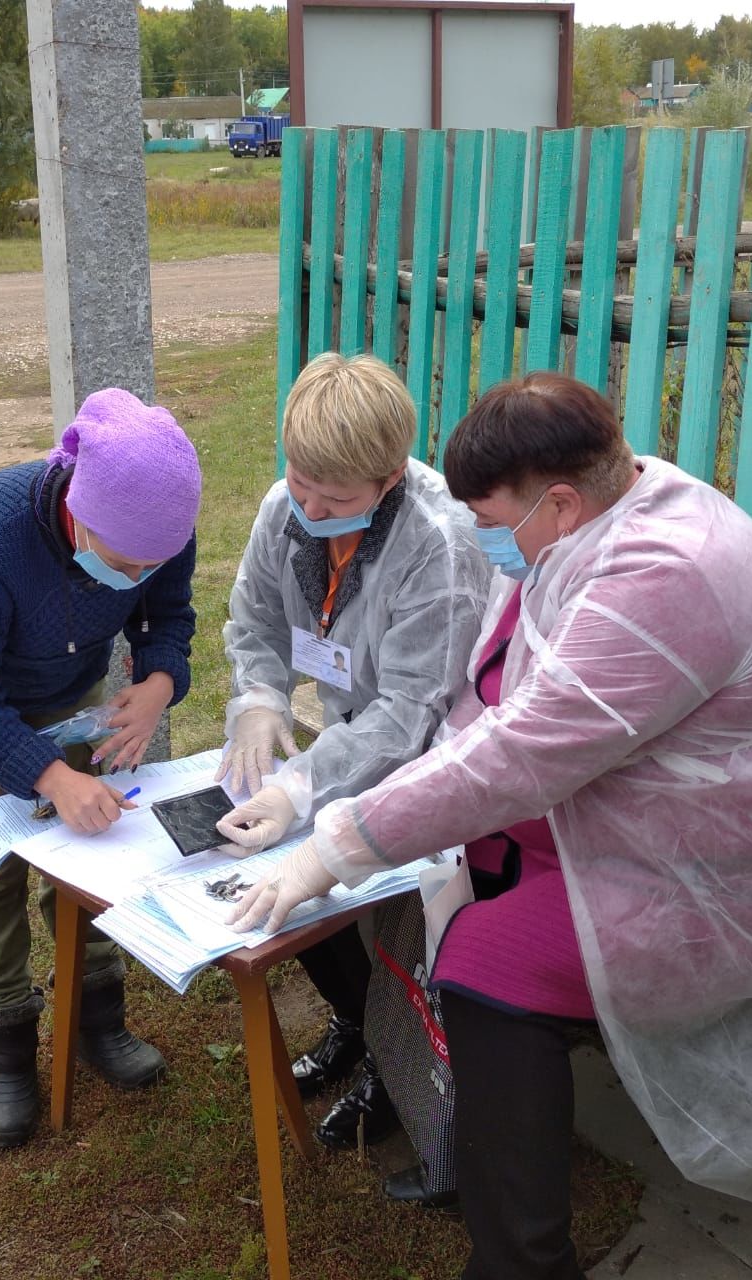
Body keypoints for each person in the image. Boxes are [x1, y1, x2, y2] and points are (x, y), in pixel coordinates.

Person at [229, 371, 752, 1279]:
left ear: (556, 502)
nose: (481, 540)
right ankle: (444, 1118)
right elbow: (490, 707)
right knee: (441, 880)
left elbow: (519, 751)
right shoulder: (603, 514)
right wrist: (361, 804)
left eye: (491, 520)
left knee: (482, 965)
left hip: (698, 864)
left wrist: (333, 844)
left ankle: (520, 1260)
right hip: (611, 818)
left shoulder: (664, 576)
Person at [213, 351, 490, 1180]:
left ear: (388, 477)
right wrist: (259, 697)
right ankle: (353, 1022)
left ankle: (394, 1062)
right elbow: (254, 617)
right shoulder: (287, 505)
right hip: (344, 728)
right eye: (298, 483)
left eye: (333, 500)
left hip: (424, 751)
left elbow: (410, 711)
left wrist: (300, 786)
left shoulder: (437, 545)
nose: (307, 507)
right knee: (283, 878)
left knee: (386, 906)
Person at [0, 388, 201, 1149]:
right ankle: (7, 1055)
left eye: (152, 561)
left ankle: (97, 1018)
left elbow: (167, 616)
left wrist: (159, 682)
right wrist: (51, 776)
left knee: (91, 856)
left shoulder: (160, 524)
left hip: (71, 692)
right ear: (79, 511)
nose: (136, 572)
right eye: (124, 560)